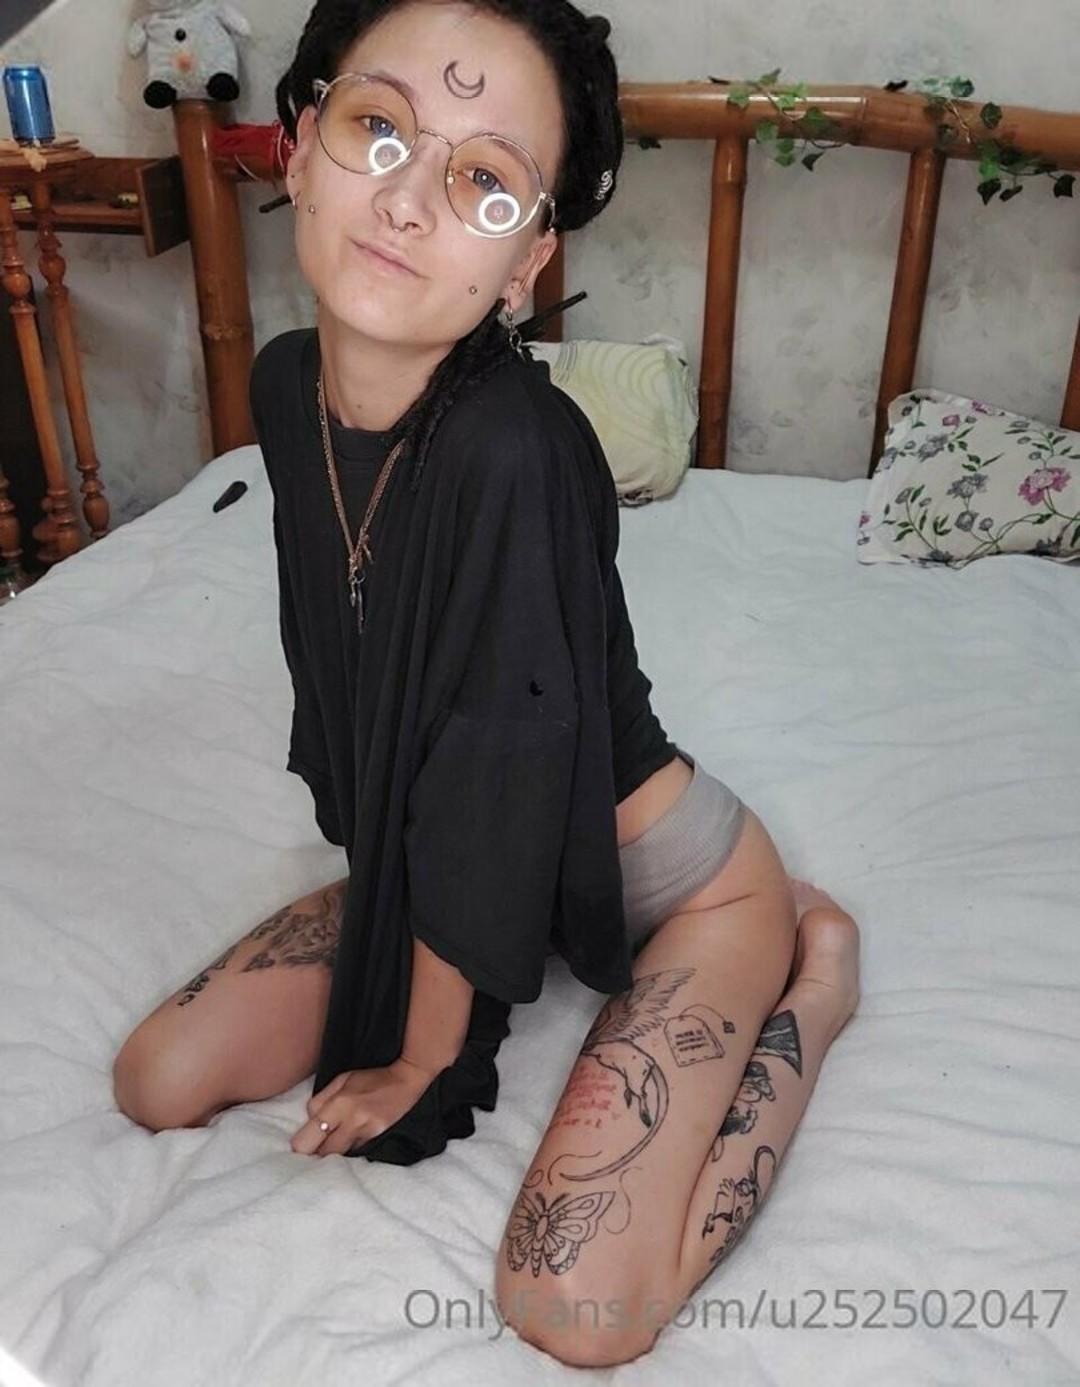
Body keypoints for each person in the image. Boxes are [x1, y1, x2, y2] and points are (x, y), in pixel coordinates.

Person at [113, 0, 861, 1365]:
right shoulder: (283, 390)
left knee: (575, 1307)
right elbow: (349, 669)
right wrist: (390, 885)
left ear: (526, 262)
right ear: (298, 148)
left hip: (669, 882)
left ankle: (818, 983)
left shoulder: (521, 451)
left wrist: (422, 1057)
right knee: (158, 1080)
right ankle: (480, 938)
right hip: (439, 846)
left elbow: (494, 773)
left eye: (485, 181)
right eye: (378, 127)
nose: (408, 200)